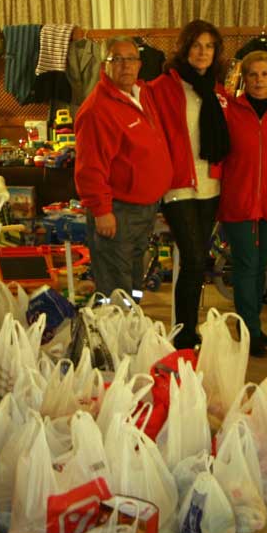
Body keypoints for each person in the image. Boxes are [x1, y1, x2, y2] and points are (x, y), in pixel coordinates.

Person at [148, 19, 231, 349]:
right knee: (196, 258)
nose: (203, 52)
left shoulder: (216, 89)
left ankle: (186, 327)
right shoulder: (162, 87)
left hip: (210, 184)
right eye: (197, 45)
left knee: (196, 261)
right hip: (178, 186)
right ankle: (183, 333)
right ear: (185, 48)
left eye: (210, 46)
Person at [74, 37, 172, 299]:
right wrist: (102, 211)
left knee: (132, 278)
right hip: (117, 212)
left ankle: (131, 329)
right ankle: (115, 335)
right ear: (105, 66)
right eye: (117, 59)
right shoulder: (97, 110)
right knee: (115, 284)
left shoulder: (141, 95)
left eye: (130, 59)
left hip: (144, 209)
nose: (125, 65)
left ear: (139, 65)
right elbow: (89, 168)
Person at [219, 51, 267, 356]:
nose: (258, 81)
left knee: (262, 266)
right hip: (238, 200)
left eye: (264, 75)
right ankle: (250, 330)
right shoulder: (230, 112)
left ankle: (252, 323)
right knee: (246, 265)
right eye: (252, 75)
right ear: (244, 79)